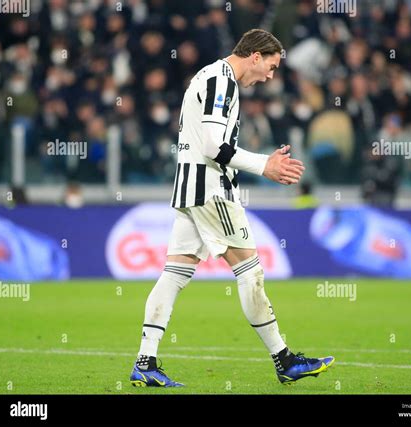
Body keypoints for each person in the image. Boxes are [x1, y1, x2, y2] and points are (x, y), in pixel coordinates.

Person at [130, 29, 334, 387]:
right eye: (270, 67)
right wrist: (264, 165)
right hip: (210, 190)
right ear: (255, 56)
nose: (270, 76)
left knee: (175, 272)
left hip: (189, 188)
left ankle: (145, 362)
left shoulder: (209, 76)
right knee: (250, 271)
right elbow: (212, 146)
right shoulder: (221, 80)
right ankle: (284, 360)